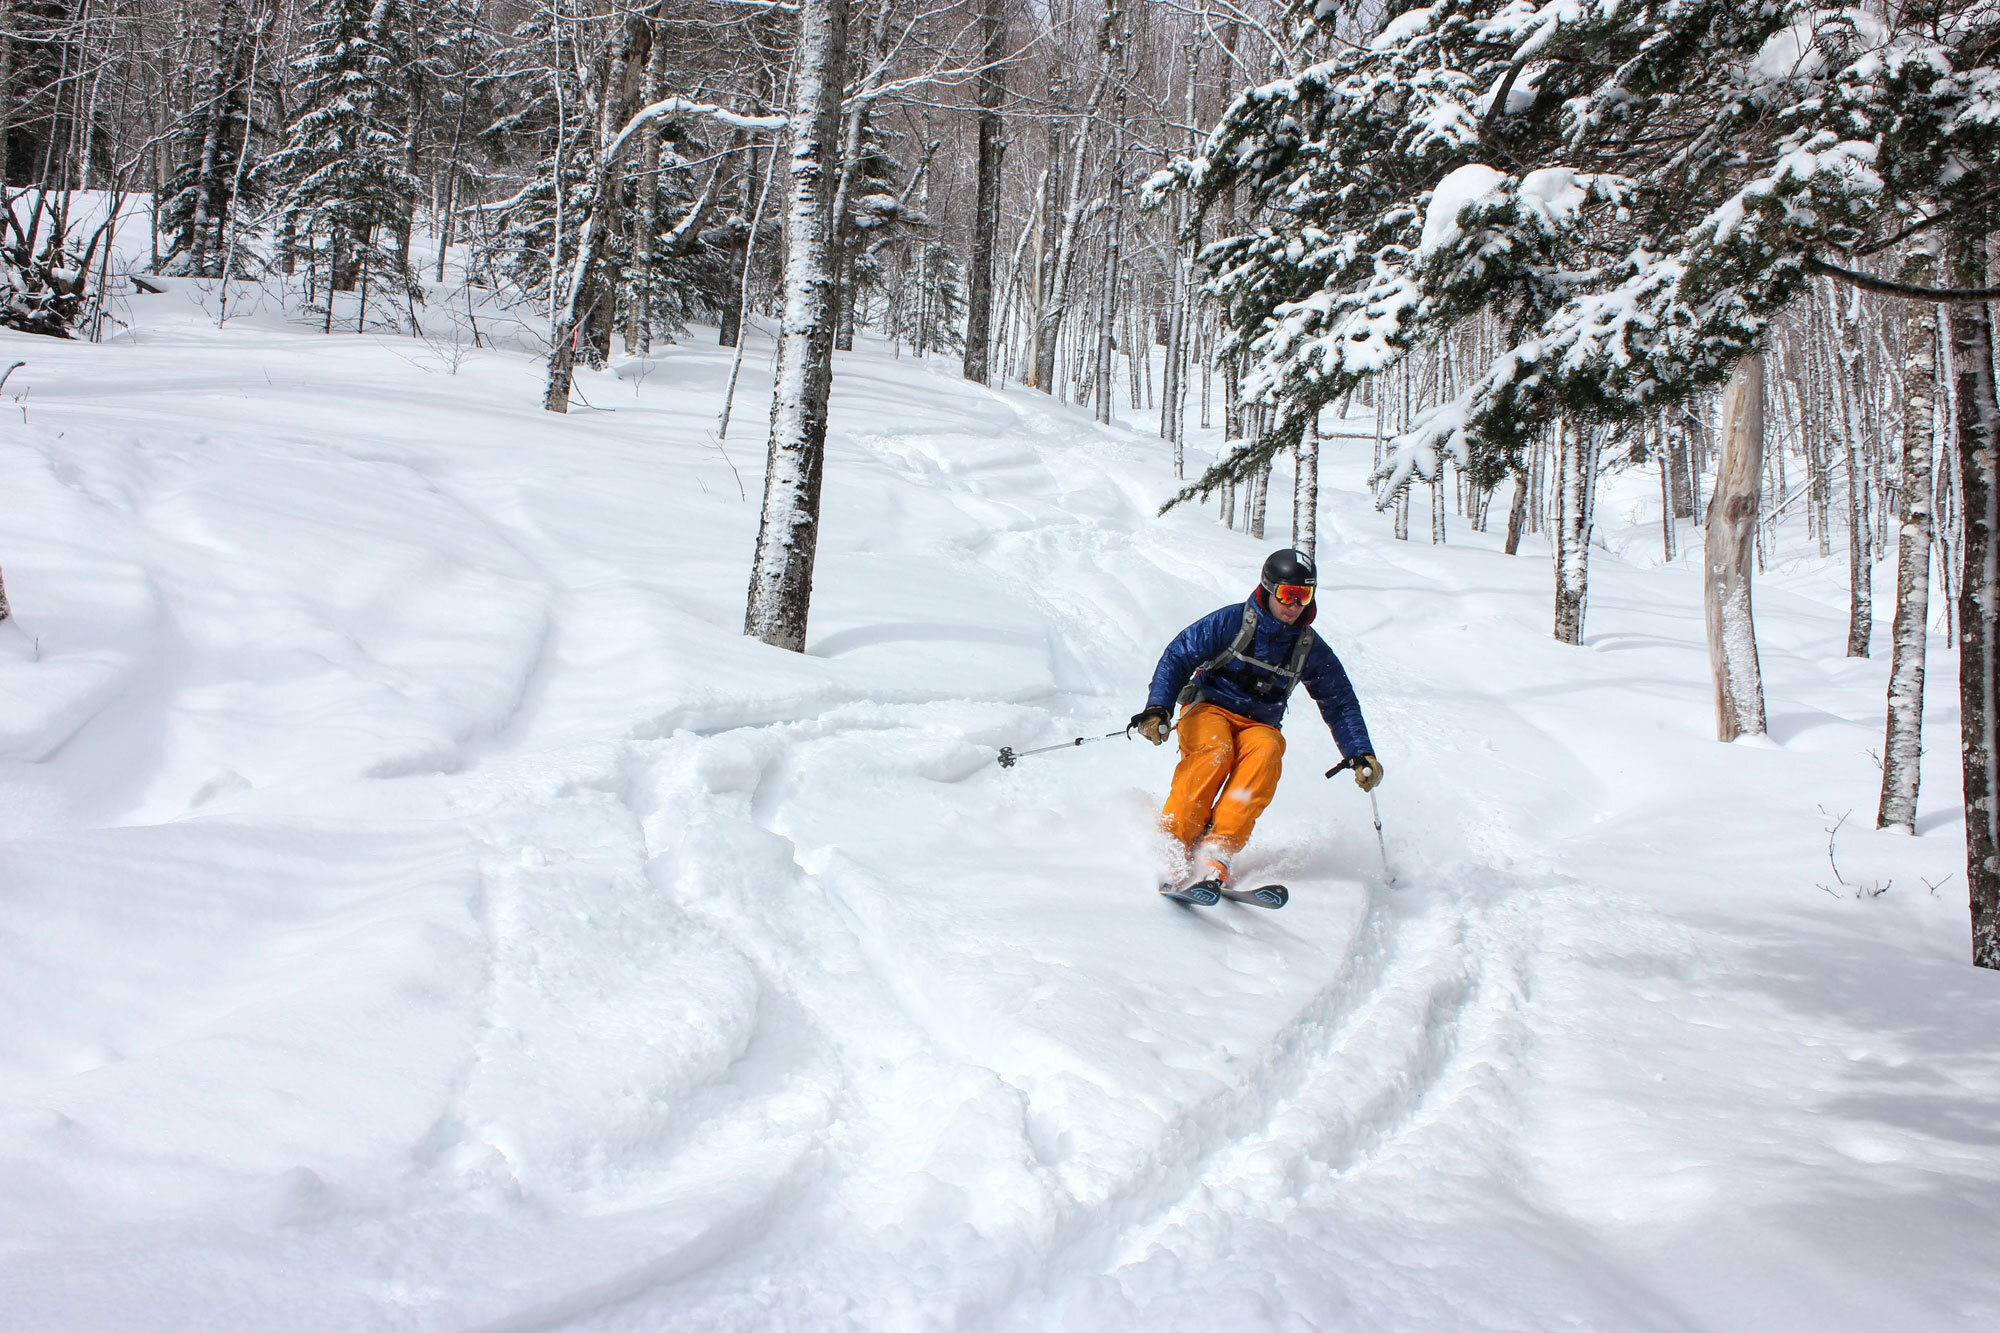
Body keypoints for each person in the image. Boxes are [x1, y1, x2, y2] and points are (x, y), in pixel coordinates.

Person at [1129, 548, 1381, 888]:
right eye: (1288, 595)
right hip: (1208, 708)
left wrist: (1359, 751)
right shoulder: (1232, 622)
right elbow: (1178, 655)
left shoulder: (1308, 646)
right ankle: (1173, 841)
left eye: (1303, 596)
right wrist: (1159, 707)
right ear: (1268, 587)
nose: (1295, 606)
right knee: (1216, 751)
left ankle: (1216, 849)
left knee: (1267, 750)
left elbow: (1339, 700)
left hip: (1259, 724)